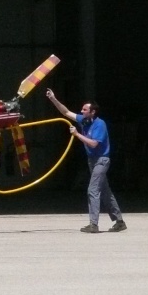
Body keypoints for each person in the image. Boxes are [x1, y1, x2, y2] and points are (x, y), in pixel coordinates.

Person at [46, 90, 126, 234]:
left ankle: (93, 225)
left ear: (93, 112)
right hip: (92, 161)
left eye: (85, 110)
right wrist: (53, 99)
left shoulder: (100, 124)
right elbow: (66, 112)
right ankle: (119, 222)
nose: (81, 111)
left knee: (93, 190)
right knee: (105, 192)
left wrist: (76, 134)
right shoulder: (84, 120)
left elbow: (94, 144)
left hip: (101, 160)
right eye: (82, 109)